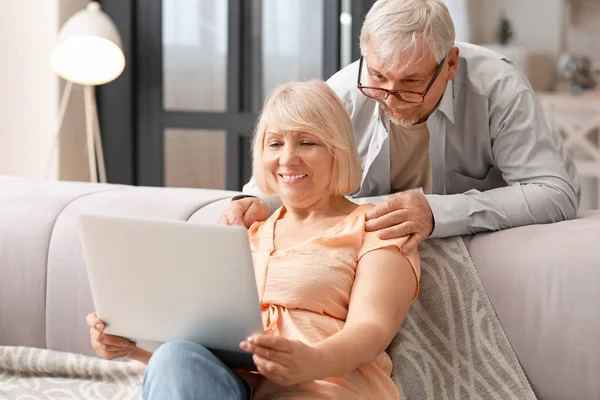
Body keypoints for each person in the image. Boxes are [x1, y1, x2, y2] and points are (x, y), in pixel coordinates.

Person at [85, 80, 420, 400]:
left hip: (323, 388)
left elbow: (372, 329)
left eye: (307, 142)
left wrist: (312, 361)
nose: (287, 158)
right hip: (236, 387)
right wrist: (133, 347)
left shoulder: (375, 228)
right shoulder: (246, 234)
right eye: (275, 143)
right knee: (174, 354)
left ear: (338, 150)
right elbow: (202, 350)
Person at [221, 0, 580, 252]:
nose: (390, 98)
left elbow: (554, 193)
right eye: (378, 76)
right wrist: (254, 202)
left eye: (411, 83)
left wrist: (438, 212)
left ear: (451, 64)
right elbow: (287, 170)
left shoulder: (499, 89)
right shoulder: (345, 92)